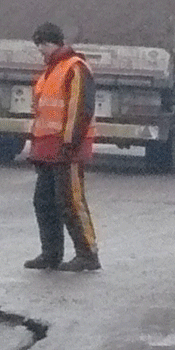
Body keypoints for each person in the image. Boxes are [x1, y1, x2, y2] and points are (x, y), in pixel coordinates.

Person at [22, 22, 100, 272]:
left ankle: (88, 254)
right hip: (47, 150)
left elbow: (80, 110)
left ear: (52, 43)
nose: (40, 51)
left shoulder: (75, 68)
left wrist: (69, 144)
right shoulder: (51, 70)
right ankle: (51, 254)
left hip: (67, 149)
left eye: (42, 45)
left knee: (71, 201)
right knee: (43, 201)